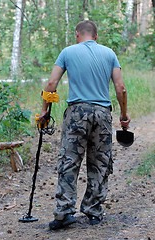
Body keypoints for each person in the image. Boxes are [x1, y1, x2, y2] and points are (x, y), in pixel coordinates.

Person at [39, 20, 130, 230]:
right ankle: (94, 211)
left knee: (69, 161)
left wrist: (44, 110)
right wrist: (124, 116)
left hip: (76, 113)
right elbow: (121, 88)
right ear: (96, 36)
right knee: (100, 163)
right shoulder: (110, 54)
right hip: (102, 114)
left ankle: (64, 213)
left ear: (77, 34)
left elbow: (52, 84)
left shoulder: (67, 52)